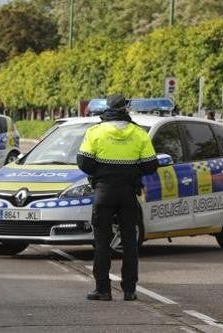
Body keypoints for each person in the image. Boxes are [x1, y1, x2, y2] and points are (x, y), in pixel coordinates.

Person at [77, 94, 158, 301]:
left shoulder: (95, 132)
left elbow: (83, 162)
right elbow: (151, 165)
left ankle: (103, 289)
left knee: (102, 241)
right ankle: (129, 290)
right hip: (128, 194)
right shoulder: (138, 133)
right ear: (126, 109)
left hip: (103, 192)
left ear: (107, 109)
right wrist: (132, 172)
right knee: (129, 241)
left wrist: (102, 172)